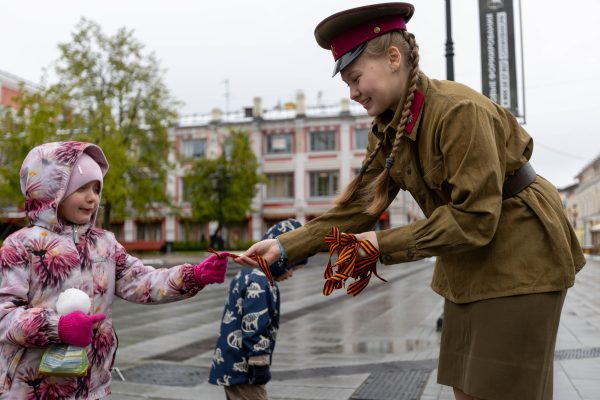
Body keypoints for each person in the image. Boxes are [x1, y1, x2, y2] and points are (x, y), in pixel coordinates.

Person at [235, 3, 585, 400]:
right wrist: (284, 247)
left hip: (522, 254)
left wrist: (377, 246)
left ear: (394, 58)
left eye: (355, 78)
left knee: (505, 391)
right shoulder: (387, 125)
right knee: (467, 391)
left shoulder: (458, 111)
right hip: (469, 261)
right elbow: (359, 209)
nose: (352, 94)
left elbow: (474, 219)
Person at [0, 141, 228, 399]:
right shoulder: (21, 246)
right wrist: (57, 327)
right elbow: (4, 315)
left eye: (97, 189)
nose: (92, 198)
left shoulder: (104, 244)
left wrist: (193, 276)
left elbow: (140, 281)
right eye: (81, 188)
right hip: (33, 388)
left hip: (92, 386)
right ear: (52, 190)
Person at [209, 219, 308, 400]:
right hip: (244, 369)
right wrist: (259, 363)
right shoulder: (261, 281)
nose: (292, 274)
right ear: (280, 261)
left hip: (231, 363)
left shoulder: (248, 273)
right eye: (293, 267)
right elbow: (254, 326)